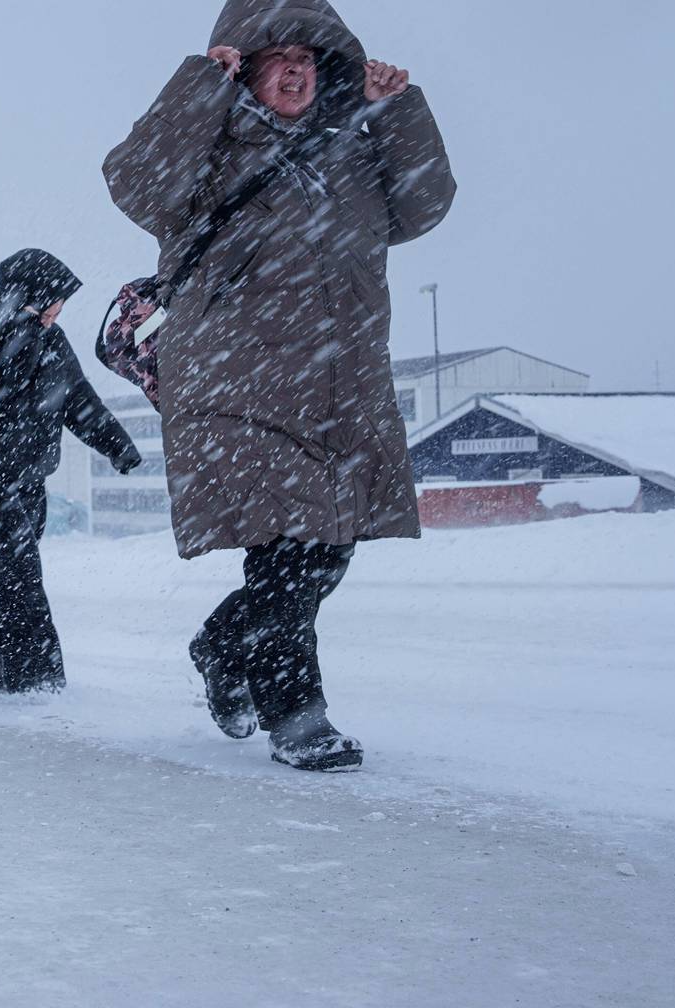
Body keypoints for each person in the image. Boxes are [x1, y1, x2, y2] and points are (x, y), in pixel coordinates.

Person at [101, 0, 456, 770]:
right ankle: (297, 713)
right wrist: (199, 88)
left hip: (342, 383)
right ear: (245, 67)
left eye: (307, 54)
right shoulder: (211, 150)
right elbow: (135, 184)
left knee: (327, 553)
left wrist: (396, 112)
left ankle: (223, 646)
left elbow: (424, 206)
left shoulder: (351, 153)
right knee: (291, 552)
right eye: (274, 55)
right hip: (240, 384)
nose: (294, 66)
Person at [0, 249, 142, 694]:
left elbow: (79, 400)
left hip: (31, 478)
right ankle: (35, 674)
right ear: (28, 296)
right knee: (20, 565)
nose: (59, 311)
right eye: (53, 301)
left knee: (4, 567)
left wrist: (119, 447)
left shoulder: (52, 340)